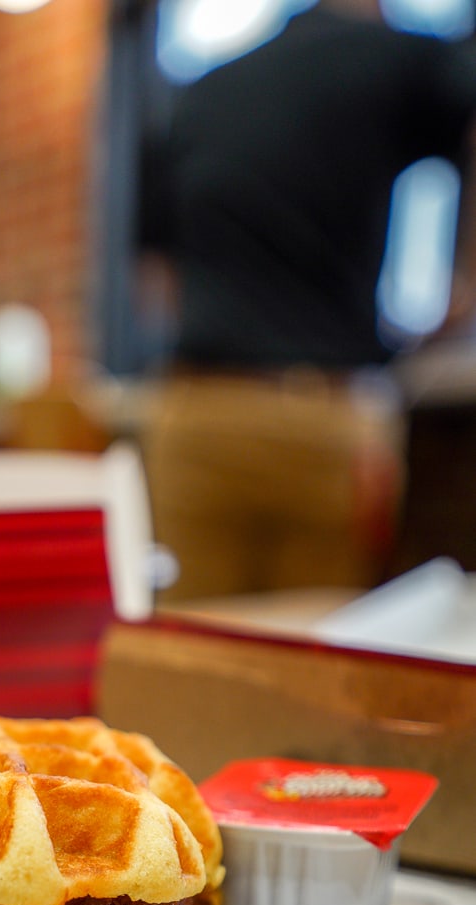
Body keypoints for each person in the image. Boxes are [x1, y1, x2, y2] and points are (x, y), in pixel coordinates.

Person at [139, 0, 476, 599]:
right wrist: (464, 284)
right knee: (315, 666)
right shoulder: (396, 60)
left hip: (195, 415)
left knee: (185, 662)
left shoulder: (203, 92)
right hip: (324, 420)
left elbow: (157, 276)